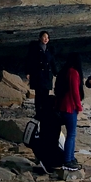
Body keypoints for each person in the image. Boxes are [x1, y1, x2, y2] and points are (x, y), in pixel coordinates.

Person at [25, 31, 60, 170]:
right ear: (40, 38)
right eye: (44, 37)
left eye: (47, 38)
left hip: (47, 76)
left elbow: (52, 61)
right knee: (39, 96)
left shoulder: (50, 49)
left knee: (45, 95)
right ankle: (38, 112)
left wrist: (57, 72)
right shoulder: (35, 48)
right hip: (38, 75)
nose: (46, 39)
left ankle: (44, 112)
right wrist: (28, 71)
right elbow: (29, 60)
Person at [54, 54, 84, 170]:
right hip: (69, 107)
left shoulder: (64, 71)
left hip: (61, 106)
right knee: (71, 134)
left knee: (69, 134)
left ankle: (70, 158)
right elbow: (75, 92)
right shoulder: (74, 72)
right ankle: (68, 159)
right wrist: (79, 107)